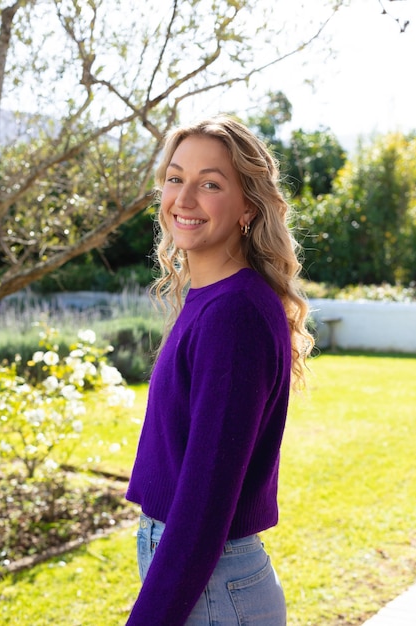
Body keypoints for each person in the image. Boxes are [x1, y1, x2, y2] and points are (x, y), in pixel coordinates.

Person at [125, 115, 313, 625]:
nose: (183, 199)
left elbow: (206, 502)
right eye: (175, 177)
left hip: (210, 583)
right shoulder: (214, 299)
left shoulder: (234, 313)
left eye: (210, 184)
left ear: (248, 206)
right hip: (202, 577)